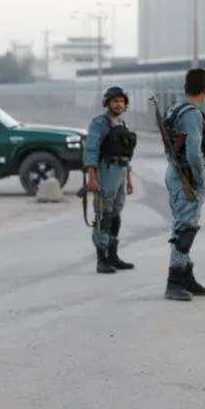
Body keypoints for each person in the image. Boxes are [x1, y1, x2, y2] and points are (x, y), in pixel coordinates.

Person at [162, 68, 205, 300]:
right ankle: (174, 282)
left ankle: (186, 276)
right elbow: (193, 151)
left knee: (183, 225)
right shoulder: (191, 113)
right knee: (185, 229)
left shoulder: (174, 107)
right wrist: (200, 178)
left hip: (174, 172)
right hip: (186, 177)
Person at [82, 86, 137, 274]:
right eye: (115, 101)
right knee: (103, 214)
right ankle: (101, 259)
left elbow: (126, 154)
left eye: (121, 101)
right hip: (105, 172)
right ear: (107, 103)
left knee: (116, 214)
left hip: (120, 172)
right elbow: (91, 150)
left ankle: (113, 256)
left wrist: (129, 179)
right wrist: (92, 178)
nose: (118, 104)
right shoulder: (99, 123)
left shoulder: (122, 124)